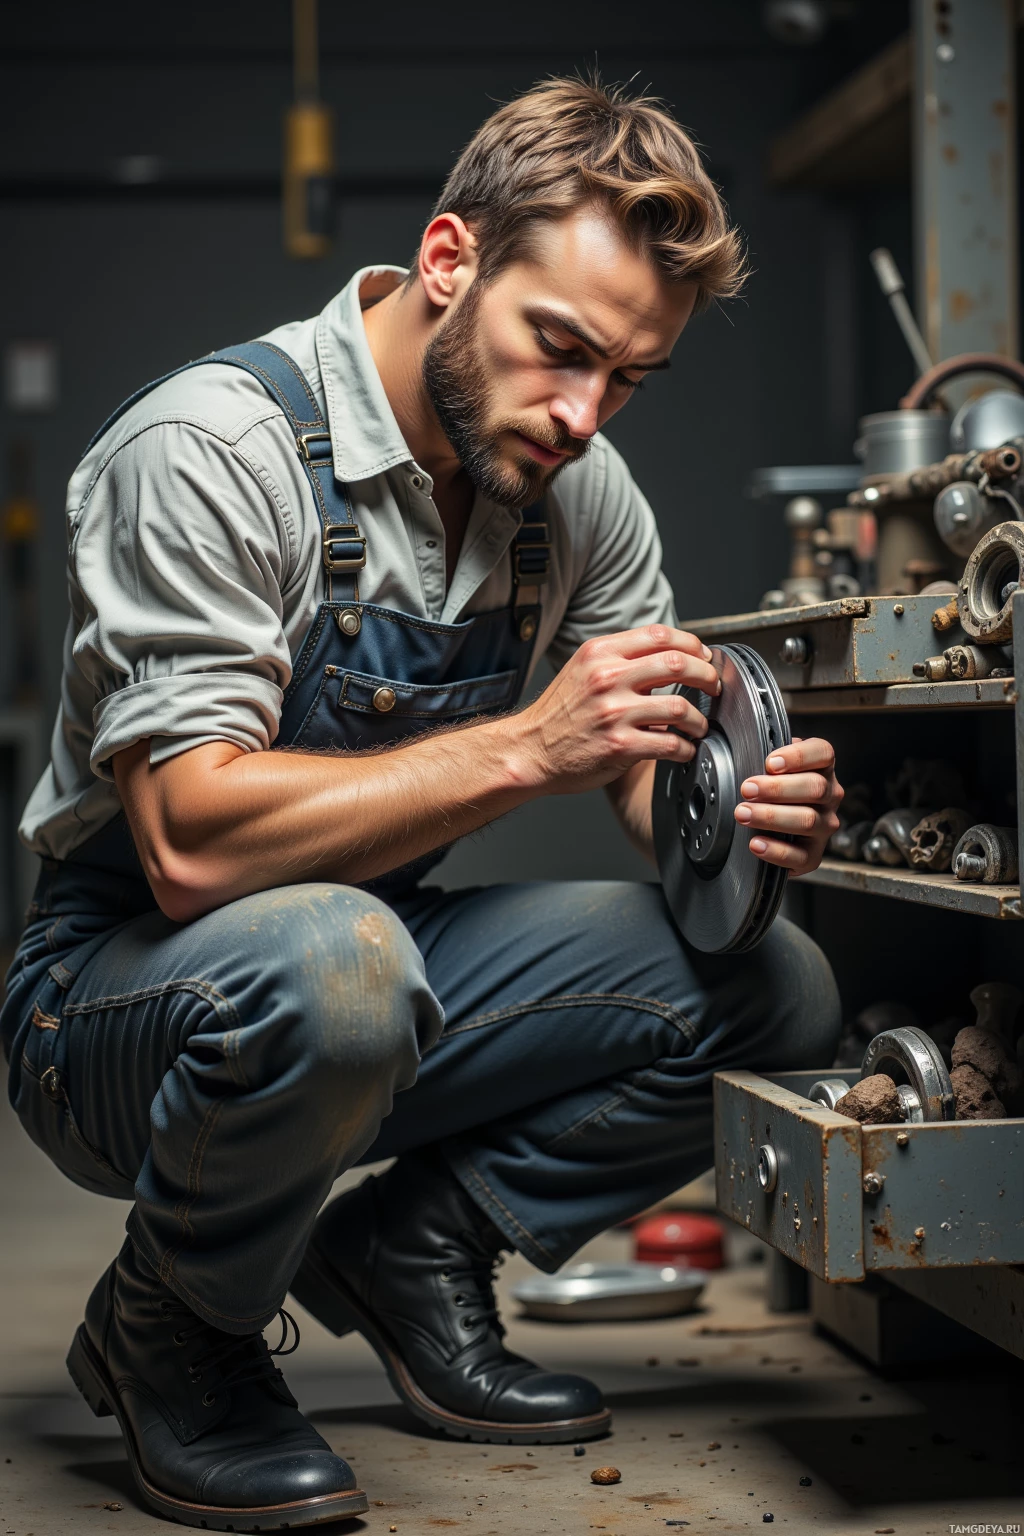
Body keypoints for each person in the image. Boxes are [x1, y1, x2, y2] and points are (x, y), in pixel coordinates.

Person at [2, 77, 842, 1530]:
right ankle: (171, 1332)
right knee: (341, 965)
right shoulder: (212, 449)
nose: (584, 413)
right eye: (560, 348)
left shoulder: (580, 491)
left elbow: (637, 769)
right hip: (114, 998)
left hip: (376, 959)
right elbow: (190, 842)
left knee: (776, 985)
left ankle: (414, 1253)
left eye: (628, 377)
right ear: (449, 262)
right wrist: (528, 746)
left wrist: (731, 817)